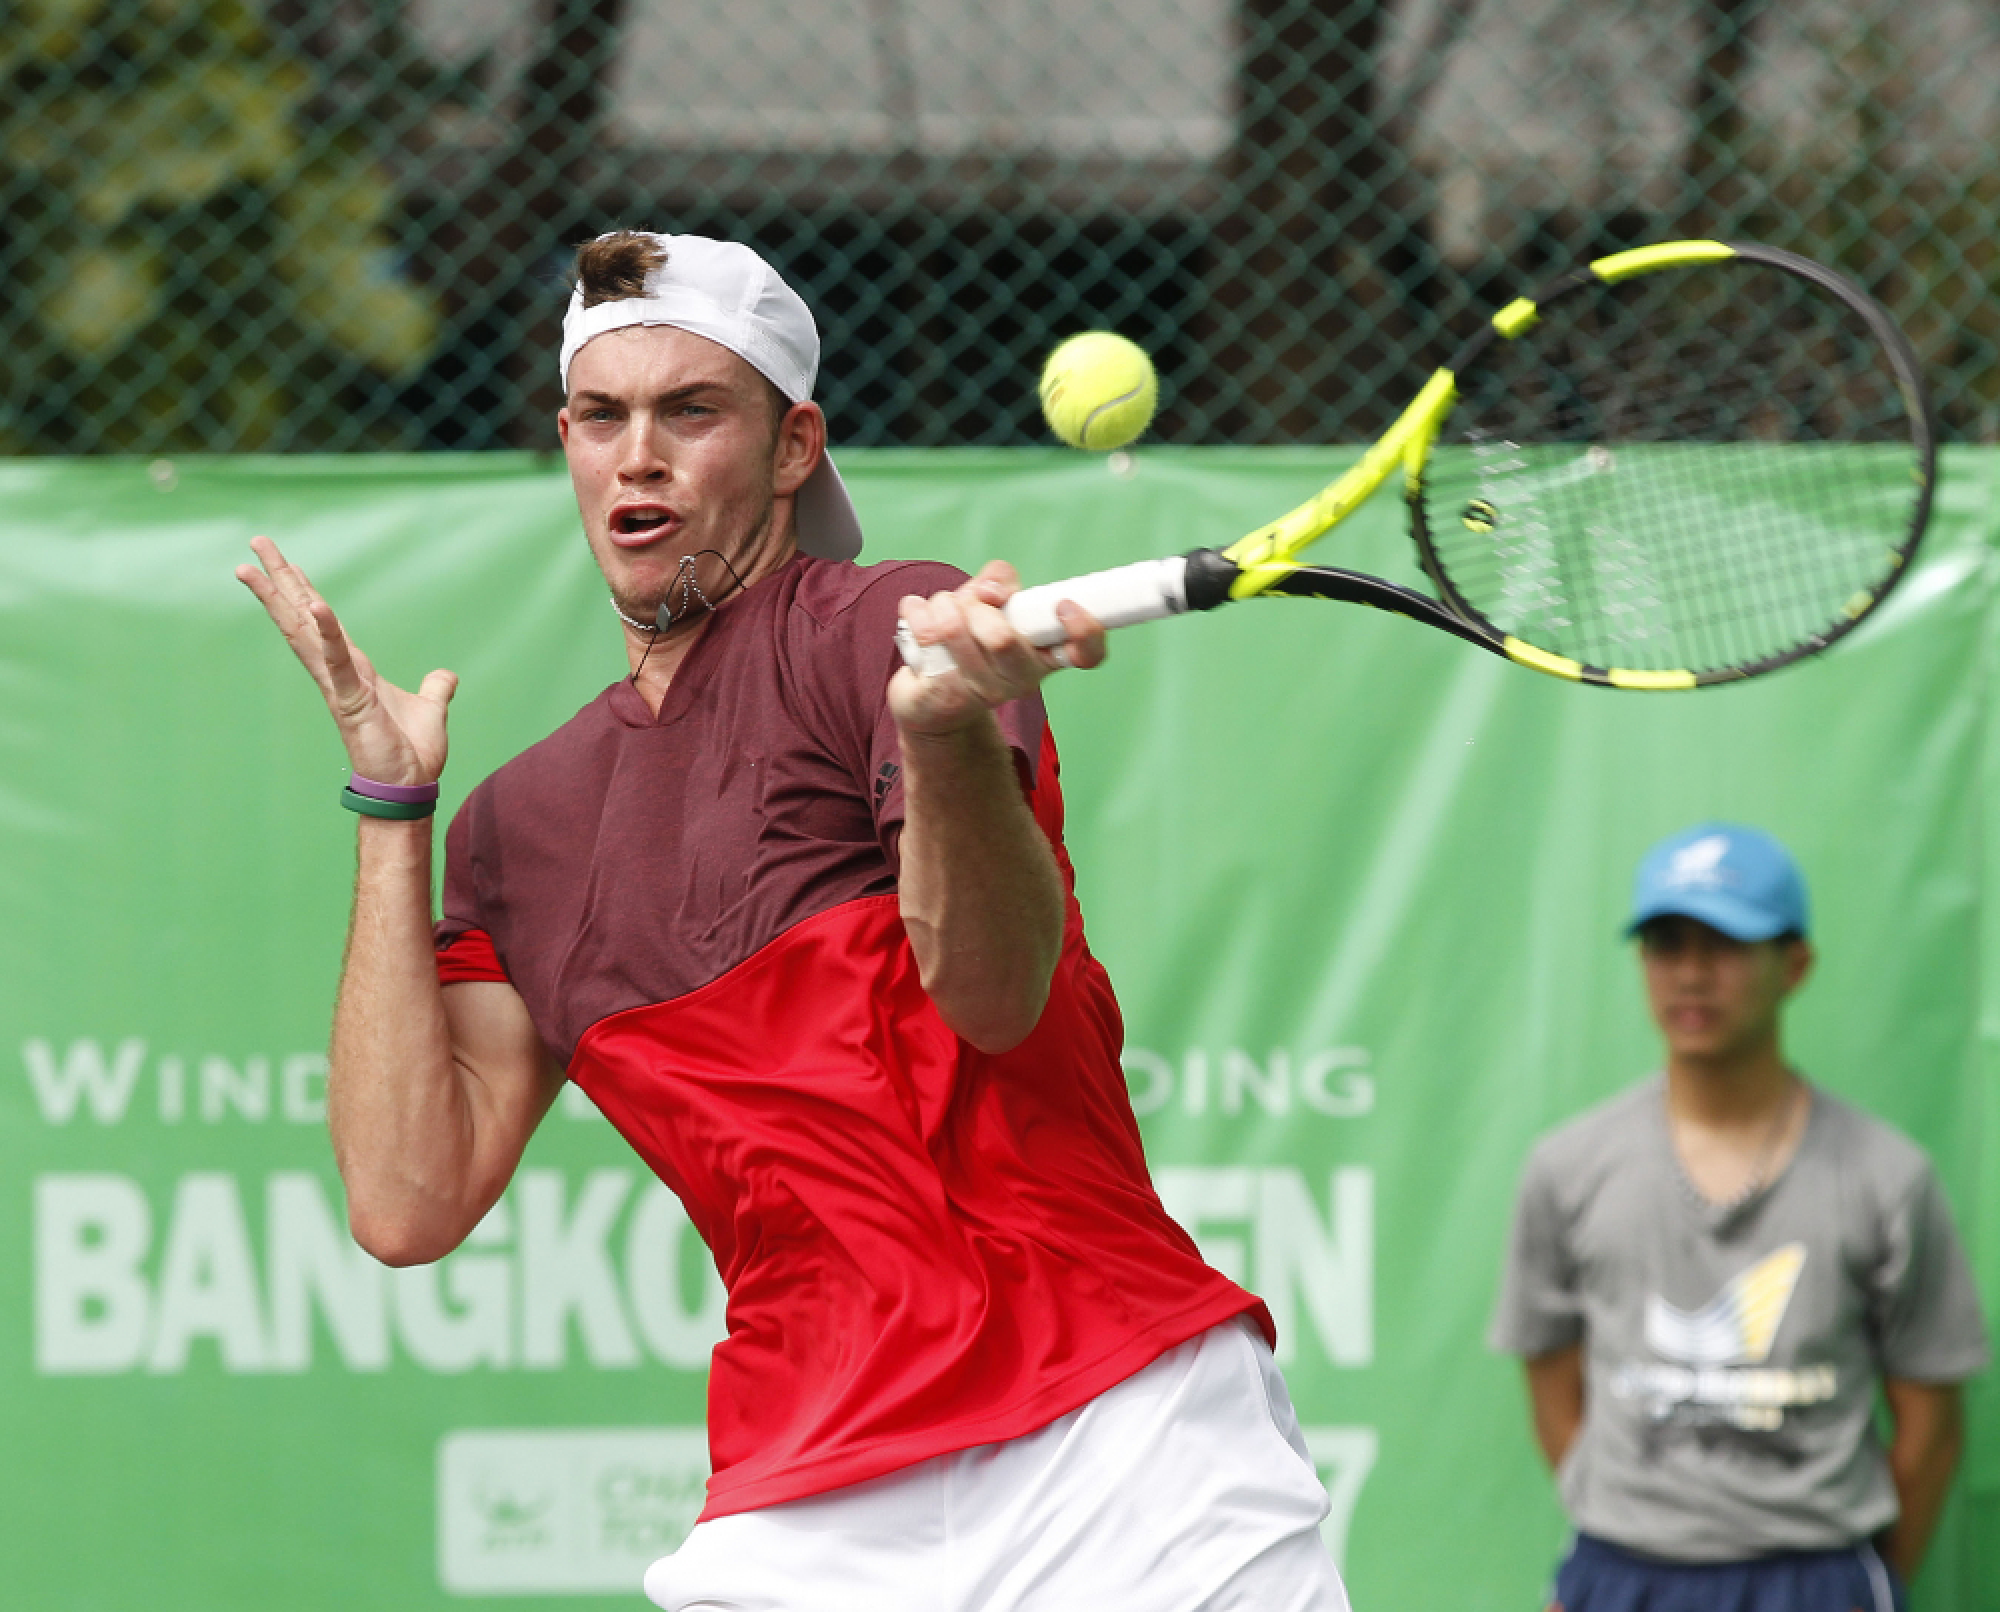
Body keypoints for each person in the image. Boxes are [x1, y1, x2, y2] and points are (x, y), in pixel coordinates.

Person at [237, 230, 1347, 1611]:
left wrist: (942, 738)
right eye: (603, 417)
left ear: (791, 446)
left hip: (1123, 1435)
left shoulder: (889, 631)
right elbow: (405, 1201)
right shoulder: (519, 831)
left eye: (690, 412)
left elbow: (996, 996)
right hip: (807, 1486)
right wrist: (394, 808)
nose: (636, 456)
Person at [1491, 822, 1988, 1612]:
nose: (1690, 975)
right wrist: (1642, 1524)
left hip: (1816, 1577)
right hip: (1618, 1575)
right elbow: (1551, 1380)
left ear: (1794, 965)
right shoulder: (1569, 1167)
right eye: (1665, 943)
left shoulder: (1887, 1178)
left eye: (1723, 944)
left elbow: (1931, 1430)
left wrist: (1855, 1583)